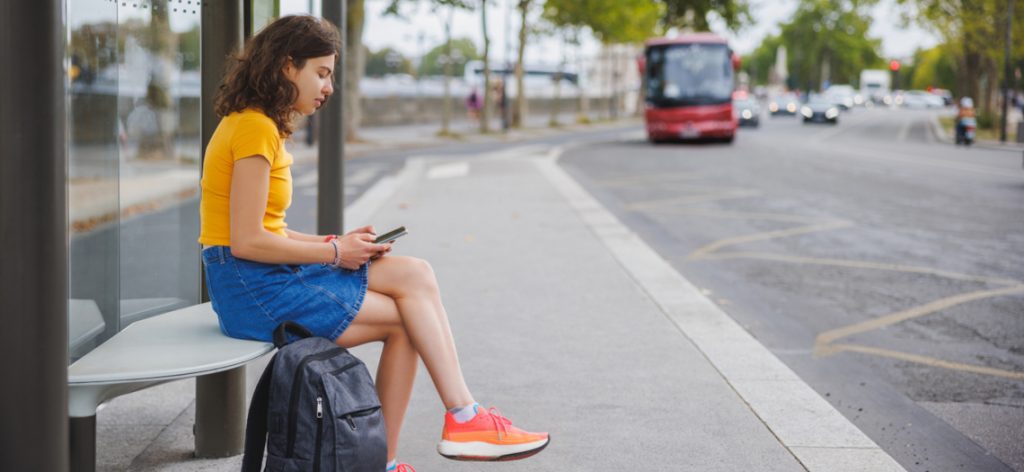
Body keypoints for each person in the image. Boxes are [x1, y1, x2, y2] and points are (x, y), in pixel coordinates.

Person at [198, 16, 549, 472]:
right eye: (321, 73)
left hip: (259, 273)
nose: (328, 87)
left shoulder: (256, 124)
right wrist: (335, 254)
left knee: (414, 273)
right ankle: (441, 430)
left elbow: (268, 229)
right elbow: (246, 242)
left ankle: (463, 418)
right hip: (251, 287)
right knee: (405, 323)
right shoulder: (254, 129)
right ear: (288, 66)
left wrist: (335, 242)